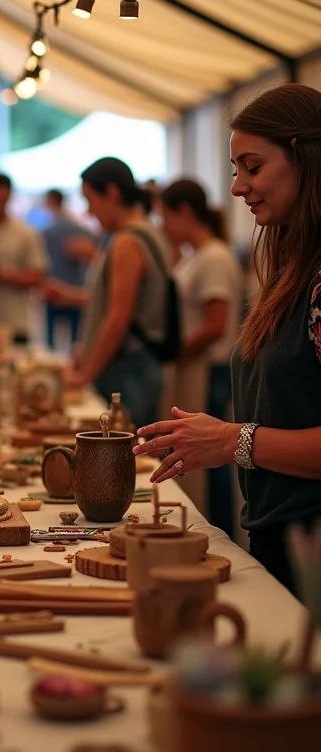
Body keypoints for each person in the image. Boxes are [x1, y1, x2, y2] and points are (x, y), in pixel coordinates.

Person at [134, 83, 321, 595]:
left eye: (253, 167)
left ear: (307, 159)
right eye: (236, 169)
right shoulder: (290, 268)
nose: (238, 187)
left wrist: (230, 439)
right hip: (279, 533)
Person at [159, 180, 243, 532]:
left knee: (211, 457)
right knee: (197, 455)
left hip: (209, 366)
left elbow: (215, 324)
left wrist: (176, 351)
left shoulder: (215, 257)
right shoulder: (197, 255)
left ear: (185, 213)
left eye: (165, 217)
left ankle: (217, 529)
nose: (163, 226)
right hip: (194, 366)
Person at [67, 157, 170, 429]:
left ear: (111, 193)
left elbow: (118, 317)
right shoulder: (147, 233)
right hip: (136, 366)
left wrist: (85, 375)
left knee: (122, 459)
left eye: (90, 200)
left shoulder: (127, 241)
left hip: (128, 369)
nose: (89, 212)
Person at [0, 173, 48, 345]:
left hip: (15, 323)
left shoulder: (26, 233)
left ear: (9, 197)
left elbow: (38, 276)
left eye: (1, 200)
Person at [40, 188, 97, 351]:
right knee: (76, 340)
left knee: (49, 342)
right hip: (76, 288)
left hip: (53, 289)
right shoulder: (80, 230)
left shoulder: (46, 232)